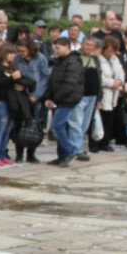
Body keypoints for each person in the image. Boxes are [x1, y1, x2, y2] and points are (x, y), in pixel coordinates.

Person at [42, 38, 84, 167]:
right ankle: (61, 156)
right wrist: (48, 97)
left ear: (67, 46)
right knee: (61, 127)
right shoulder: (59, 61)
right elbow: (53, 80)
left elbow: (70, 83)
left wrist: (55, 97)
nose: (56, 50)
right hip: (59, 98)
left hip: (67, 99)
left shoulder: (73, 62)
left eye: (59, 48)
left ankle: (70, 151)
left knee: (57, 126)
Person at [0, 43, 20, 166]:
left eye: (14, 53)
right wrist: (12, 78)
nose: (13, 55)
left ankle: (2, 153)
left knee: (7, 130)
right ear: (4, 54)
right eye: (10, 53)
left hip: (11, 101)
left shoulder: (12, 66)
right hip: (0, 101)